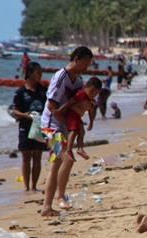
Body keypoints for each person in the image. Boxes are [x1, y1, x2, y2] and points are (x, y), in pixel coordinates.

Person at [39, 46, 93, 216]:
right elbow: (51, 106)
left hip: (62, 125)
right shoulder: (60, 77)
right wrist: (70, 125)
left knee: (56, 164)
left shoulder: (78, 80)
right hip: (50, 126)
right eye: (85, 64)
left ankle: (46, 207)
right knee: (67, 158)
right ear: (75, 59)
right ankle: (60, 197)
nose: (86, 68)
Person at [12, 62, 47, 192]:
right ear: (30, 74)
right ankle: (26, 187)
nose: (40, 75)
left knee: (37, 156)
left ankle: (34, 186)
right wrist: (24, 115)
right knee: (26, 157)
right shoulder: (20, 92)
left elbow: (50, 107)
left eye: (41, 72)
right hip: (25, 126)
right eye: (38, 72)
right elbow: (14, 110)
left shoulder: (44, 91)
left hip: (39, 127)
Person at [52, 76, 103, 161]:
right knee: (74, 131)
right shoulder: (81, 94)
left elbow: (91, 111)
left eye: (95, 94)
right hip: (72, 114)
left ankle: (80, 149)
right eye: (91, 92)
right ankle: (68, 150)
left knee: (82, 132)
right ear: (85, 86)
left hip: (77, 116)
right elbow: (69, 102)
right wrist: (59, 110)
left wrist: (91, 122)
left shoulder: (91, 100)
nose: (92, 95)